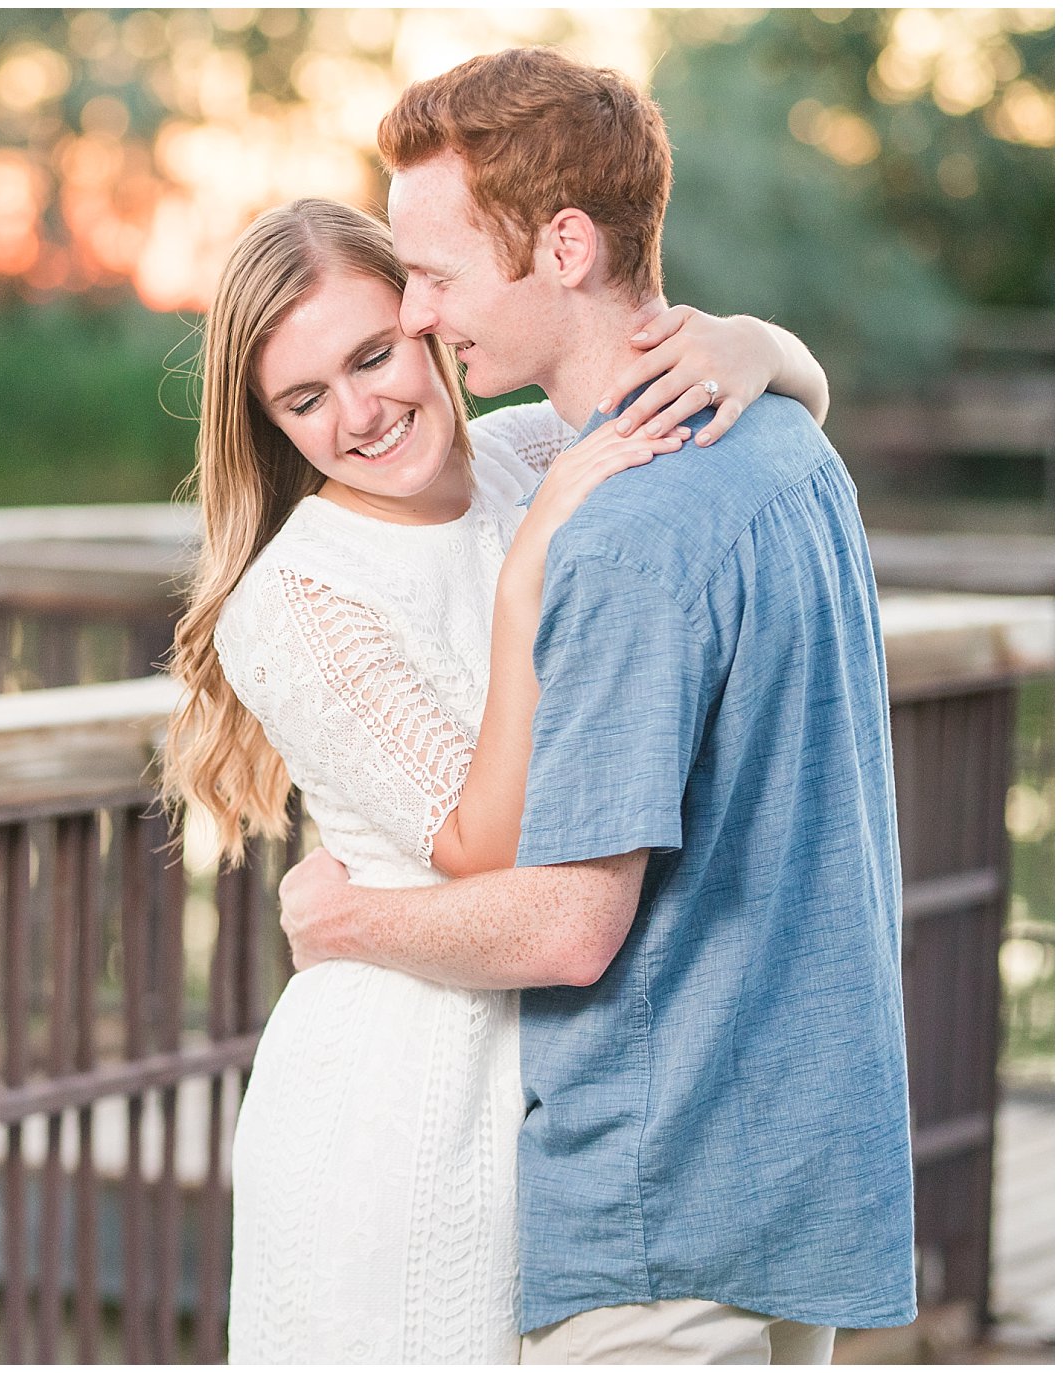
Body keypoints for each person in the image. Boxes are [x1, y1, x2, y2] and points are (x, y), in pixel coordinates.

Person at [273, 48, 914, 1363]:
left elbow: (571, 924)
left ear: (564, 244)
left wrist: (347, 920)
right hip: (803, 1177)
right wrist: (762, 345)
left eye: (439, 276)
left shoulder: (620, 538)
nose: (426, 316)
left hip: (662, 1217)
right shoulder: (791, 446)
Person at [164, 196, 835, 1362]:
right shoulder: (298, 596)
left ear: (427, 320)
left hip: (573, 1069)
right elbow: (485, 843)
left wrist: (754, 345)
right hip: (404, 1091)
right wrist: (525, 576)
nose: (360, 412)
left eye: (372, 355)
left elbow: (785, 407)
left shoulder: (526, 451)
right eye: (305, 398)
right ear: (269, 424)